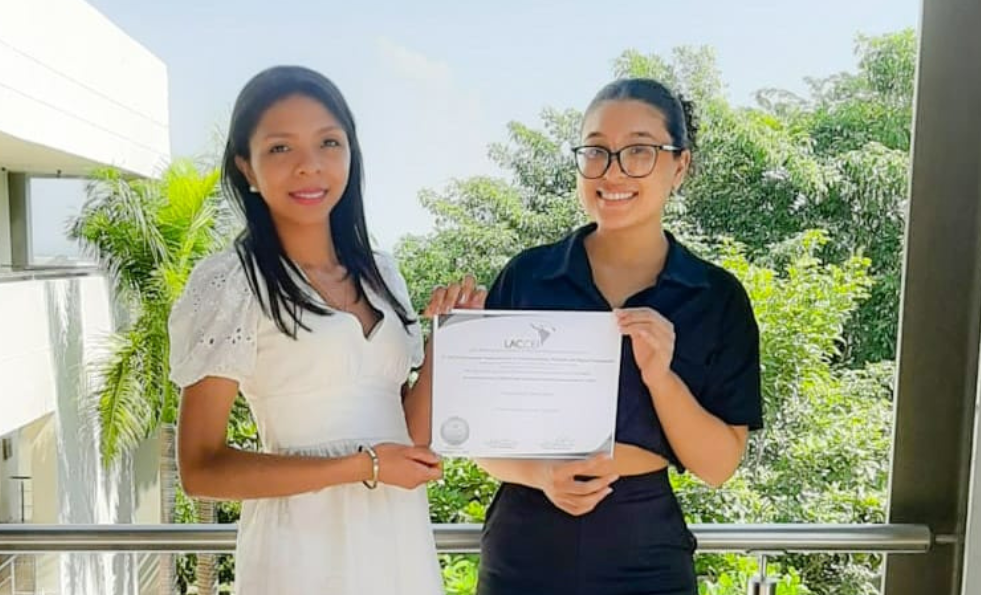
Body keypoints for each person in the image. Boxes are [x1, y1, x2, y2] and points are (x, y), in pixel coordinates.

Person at [168, 65, 479, 595]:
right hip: (300, 549)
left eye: (328, 142)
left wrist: (443, 345)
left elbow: (408, 437)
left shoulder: (382, 273)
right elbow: (201, 468)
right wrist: (364, 467)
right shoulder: (232, 280)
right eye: (280, 148)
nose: (309, 165)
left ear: (350, 153)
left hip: (396, 536)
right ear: (246, 167)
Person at [474, 78, 764, 595]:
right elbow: (478, 436)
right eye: (596, 151)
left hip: (646, 550)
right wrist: (541, 476)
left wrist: (661, 378)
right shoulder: (528, 276)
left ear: (680, 166)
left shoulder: (716, 297)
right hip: (524, 545)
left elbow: (718, 466)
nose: (613, 171)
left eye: (639, 151)